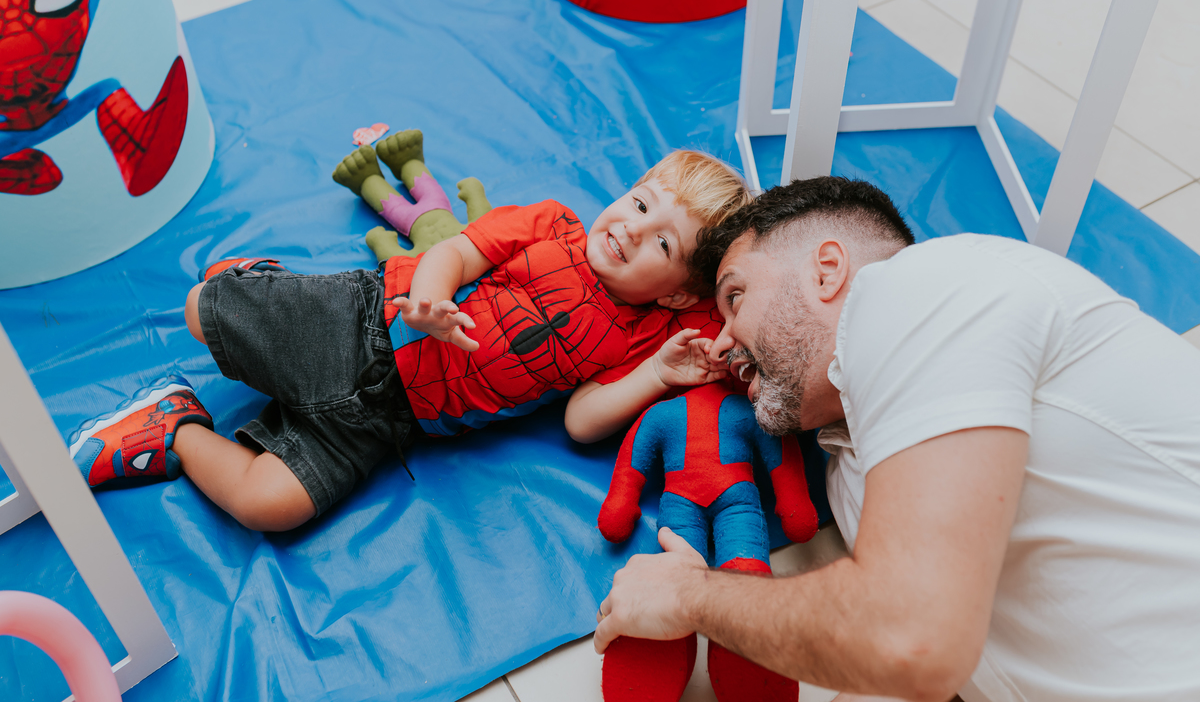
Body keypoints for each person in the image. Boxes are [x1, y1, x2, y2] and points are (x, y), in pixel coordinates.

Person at [594, 176, 1200, 702]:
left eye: (735, 296)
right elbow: (913, 659)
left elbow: (910, 637)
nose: (722, 345)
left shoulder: (919, 288)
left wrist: (691, 598)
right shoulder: (847, 474)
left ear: (827, 270)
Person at [68, 149, 750, 532]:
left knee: (265, 505)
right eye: (638, 201)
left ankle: (173, 423)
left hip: (389, 422)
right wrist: (430, 298)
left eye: (662, 238)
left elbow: (581, 420)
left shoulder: (653, 338)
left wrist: (660, 372)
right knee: (200, 308)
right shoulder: (551, 226)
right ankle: (260, 284)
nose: (631, 226)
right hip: (365, 323)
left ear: (678, 293)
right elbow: (455, 252)